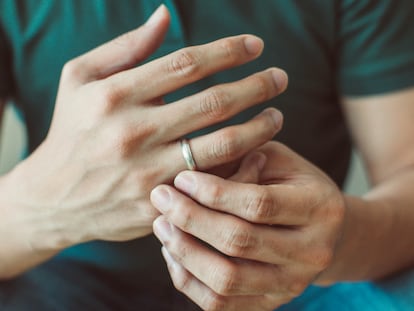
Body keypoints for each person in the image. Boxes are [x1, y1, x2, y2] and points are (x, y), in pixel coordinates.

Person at [1, 1, 414, 310]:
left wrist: (337, 241)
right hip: (59, 280)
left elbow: (406, 171)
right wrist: (44, 207)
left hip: (300, 290)